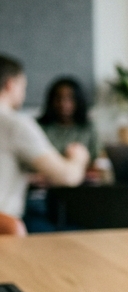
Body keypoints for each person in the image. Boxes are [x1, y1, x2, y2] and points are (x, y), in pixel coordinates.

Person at [0, 55, 89, 220]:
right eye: (23, 87)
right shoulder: (16, 123)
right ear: (10, 84)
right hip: (5, 231)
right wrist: (79, 157)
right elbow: (68, 177)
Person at [37, 77, 99, 161]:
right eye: (58, 98)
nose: (63, 103)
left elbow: (98, 159)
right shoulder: (39, 127)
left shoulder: (88, 128)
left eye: (70, 98)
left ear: (79, 100)